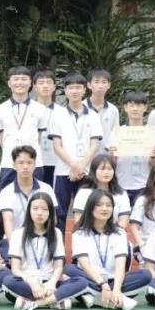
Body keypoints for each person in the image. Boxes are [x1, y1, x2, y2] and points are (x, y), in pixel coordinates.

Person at [66, 189, 152, 310]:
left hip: (114, 280)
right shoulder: (80, 233)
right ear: (90, 207)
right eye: (99, 205)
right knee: (70, 271)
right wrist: (103, 285)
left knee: (145, 275)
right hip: (91, 279)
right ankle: (112, 299)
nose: (105, 209)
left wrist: (116, 289)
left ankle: (95, 298)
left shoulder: (119, 233)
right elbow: (84, 264)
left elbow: (120, 264)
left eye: (108, 205)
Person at [3, 192, 87, 310]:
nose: (39, 213)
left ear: (50, 212)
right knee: (8, 281)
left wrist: (52, 283)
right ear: (29, 211)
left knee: (81, 281)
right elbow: (15, 269)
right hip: (27, 282)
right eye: (35, 209)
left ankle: (36, 303)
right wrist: (32, 283)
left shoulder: (56, 233)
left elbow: (59, 267)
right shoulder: (18, 234)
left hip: (50, 283)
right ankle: (54, 301)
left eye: (44, 209)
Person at [49, 72, 103, 222]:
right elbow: (57, 146)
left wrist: (81, 167)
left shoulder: (93, 116)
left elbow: (94, 146)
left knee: (86, 211)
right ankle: (59, 238)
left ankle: (84, 237)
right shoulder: (57, 115)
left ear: (85, 90)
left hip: (87, 171)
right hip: (63, 171)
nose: (74, 91)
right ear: (65, 91)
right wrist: (74, 166)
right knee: (60, 212)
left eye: (78, 87)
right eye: (71, 88)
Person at [0, 66, 49, 189]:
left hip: (34, 163)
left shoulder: (40, 109)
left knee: (36, 197)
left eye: (24, 79)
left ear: (30, 83)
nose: (19, 82)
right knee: (5, 196)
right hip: (8, 163)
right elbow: (1, 138)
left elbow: (38, 137)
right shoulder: (0, 109)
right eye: (16, 79)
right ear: (9, 83)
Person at [110, 91, 155, 203]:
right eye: (131, 105)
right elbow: (112, 163)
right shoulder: (117, 131)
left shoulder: (152, 132)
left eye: (139, 105)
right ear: (125, 108)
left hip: (145, 185)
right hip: (121, 184)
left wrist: (153, 157)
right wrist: (112, 154)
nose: (135, 109)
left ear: (145, 107)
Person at [32, 69, 58, 185]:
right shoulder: (28, 109)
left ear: (54, 87)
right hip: (34, 161)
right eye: (41, 83)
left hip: (56, 162)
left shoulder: (63, 112)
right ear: (35, 87)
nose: (45, 86)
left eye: (49, 82)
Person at [85, 68, 119, 156]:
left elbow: (116, 134)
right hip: (84, 156)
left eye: (104, 82)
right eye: (96, 82)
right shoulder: (81, 107)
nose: (100, 86)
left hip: (106, 157)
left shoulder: (113, 110)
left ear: (109, 85)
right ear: (89, 85)